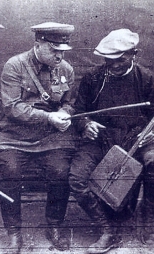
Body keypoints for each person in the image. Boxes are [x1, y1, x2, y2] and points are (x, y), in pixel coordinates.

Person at [0, 22, 77, 253]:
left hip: (51, 137)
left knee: (61, 171)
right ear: (38, 44)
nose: (59, 56)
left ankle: (54, 225)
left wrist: (65, 114)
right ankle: (14, 233)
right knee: (9, 172)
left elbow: (69, 102)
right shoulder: (15, 66)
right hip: (13, 136)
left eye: (63, 51)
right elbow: (12, 108)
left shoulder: (66, 69)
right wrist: (49, 117)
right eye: (54, 50)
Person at [69, 28, 154, 254]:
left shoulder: (147, 78)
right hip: (101, 138)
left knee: (151, 166)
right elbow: (79, 111)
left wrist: (151, 132)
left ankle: (147, 218)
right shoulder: (93, 78)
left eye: (121, 58)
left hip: (136, 137)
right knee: (77, 178)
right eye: (109, 59)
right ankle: (107, 230)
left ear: (134, 54)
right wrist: (86, 124)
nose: (114, 64)